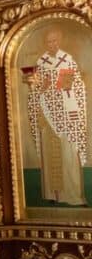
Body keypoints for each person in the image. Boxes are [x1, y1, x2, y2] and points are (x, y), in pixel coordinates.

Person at [27, 28, 88, 205]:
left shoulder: (67, 60)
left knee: (68, 152)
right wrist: (40, 86)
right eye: (49, 42)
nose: (52, 44)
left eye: (54, 41)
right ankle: (53, 195)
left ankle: (72, 195)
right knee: (50, 152)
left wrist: (54, 84)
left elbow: (72, 86)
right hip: (47, 114)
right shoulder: (40, 62)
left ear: (60, 41)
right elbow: (34, 89)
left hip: (65, 114)